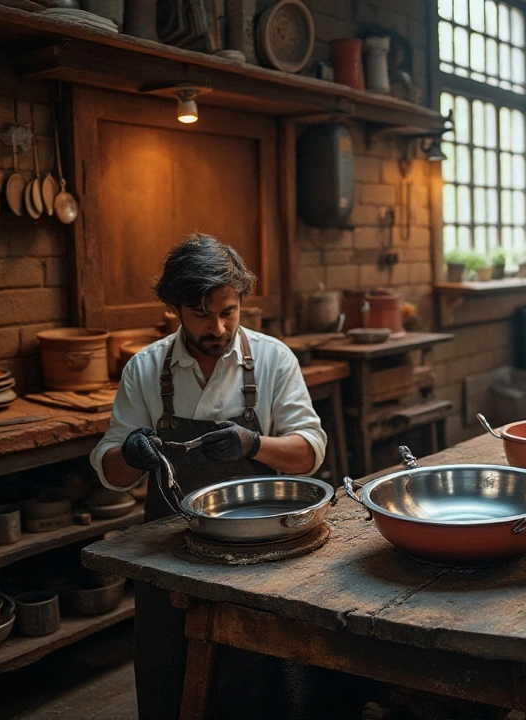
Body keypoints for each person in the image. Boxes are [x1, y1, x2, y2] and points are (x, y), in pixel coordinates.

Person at [89, 233, 328, 718]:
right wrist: (130, 453)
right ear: (176, 308)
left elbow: (310, 453)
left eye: (229, 311)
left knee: (257, 680)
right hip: (172, 549)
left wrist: (254, 444)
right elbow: (111, 472)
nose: (217, 327)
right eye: (201, 314)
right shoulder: (146, 368)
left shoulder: (273, 359)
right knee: (167, 676)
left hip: (259, 548)